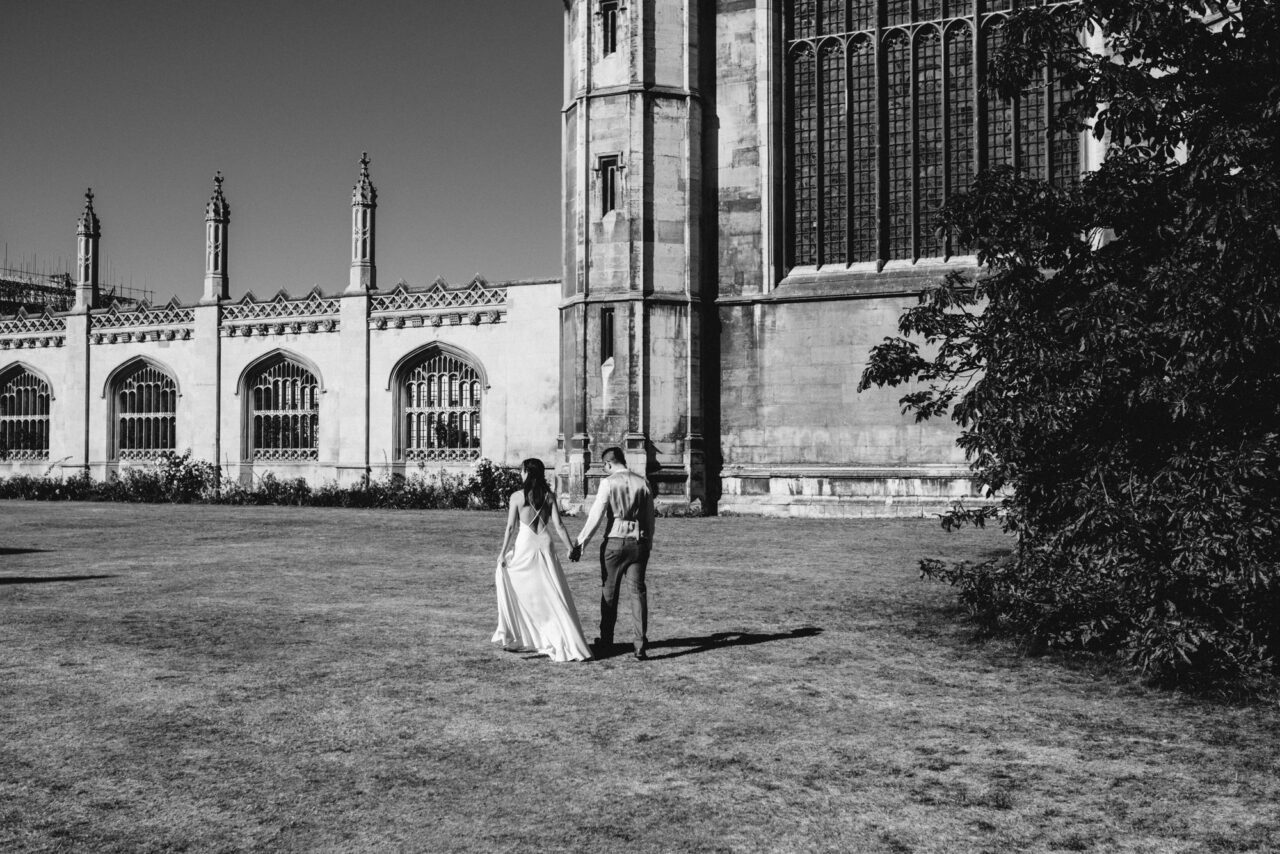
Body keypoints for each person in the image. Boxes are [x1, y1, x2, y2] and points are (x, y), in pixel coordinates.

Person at [492, 458, 593, 662]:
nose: (520, 474)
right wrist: (571, 548)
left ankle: (528, 633)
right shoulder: (549, 496)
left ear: (527, 473)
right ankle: (554, 634)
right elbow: (559, 526)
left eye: (522, 471)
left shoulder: (517, 497)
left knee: (523, 587)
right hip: (545, 541)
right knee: (552, 589)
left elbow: (511, 528)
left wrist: (502, 553)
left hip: (526, 543)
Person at [571, 446, 656, 660]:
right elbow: (649, 518)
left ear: (608, 464)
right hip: (638, 541)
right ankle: (639, 643)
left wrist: (580, 543)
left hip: (615, 541)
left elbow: (596, 515)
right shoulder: (642, 482)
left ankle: (607, 639)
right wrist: (648, 543)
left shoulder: (608, 483)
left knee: (609, 593)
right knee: (638, 593)